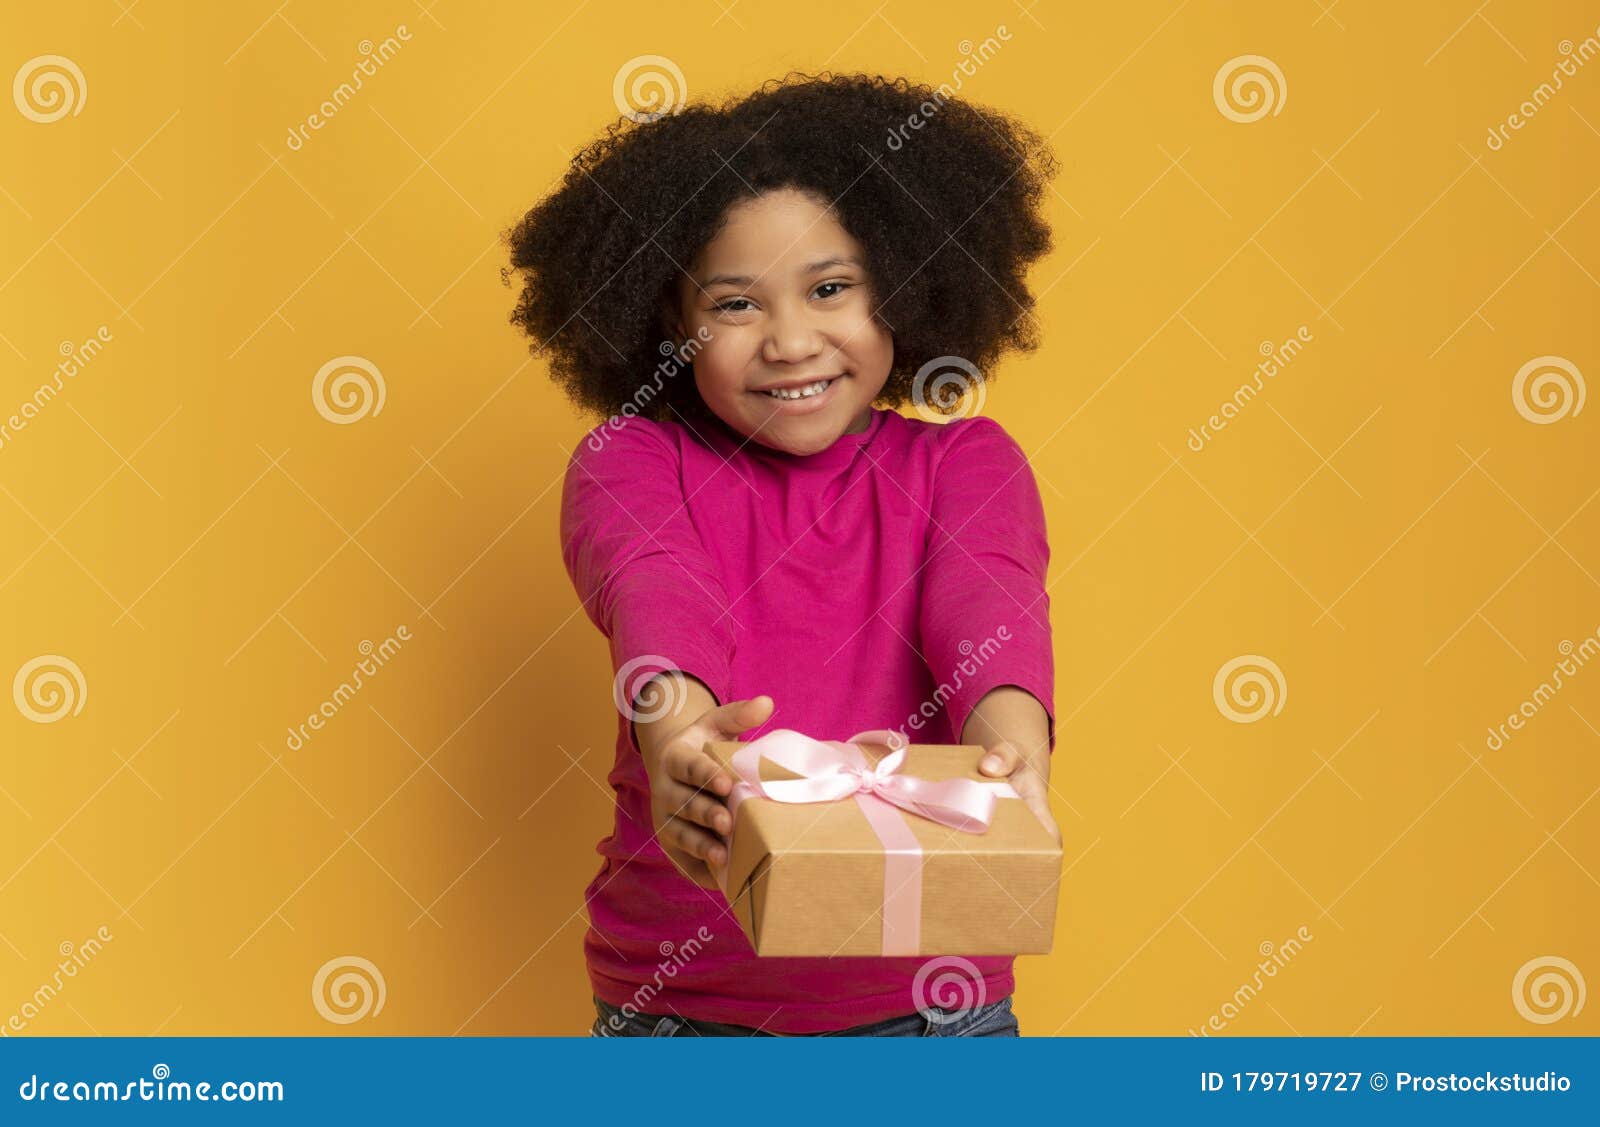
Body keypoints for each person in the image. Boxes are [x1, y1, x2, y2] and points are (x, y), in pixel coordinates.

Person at [504, 72, 1061, 1036]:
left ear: (906, 280)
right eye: (736, 305)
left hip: (940, 1014)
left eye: (832, 288)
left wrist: (1017, 757)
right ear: (674, 321)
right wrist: (680, 740)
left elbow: (991, 613)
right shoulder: (632, 460)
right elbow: (658, 600)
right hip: (683, 1014)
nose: (793, 341)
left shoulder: (968, 462)